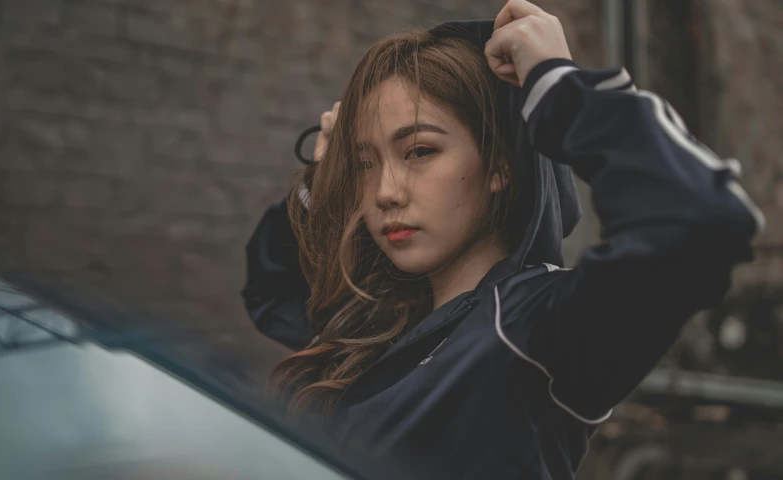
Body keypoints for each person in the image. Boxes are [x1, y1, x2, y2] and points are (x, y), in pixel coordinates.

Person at [241, 1, 765, 478]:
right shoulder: (381, 322)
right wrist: (321, 179)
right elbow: (274, 290)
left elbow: (697, 219)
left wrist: (559, 86)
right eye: (363, 163)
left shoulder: (538, 326)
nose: (384, 192)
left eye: (420, 151)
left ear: (498, 166)